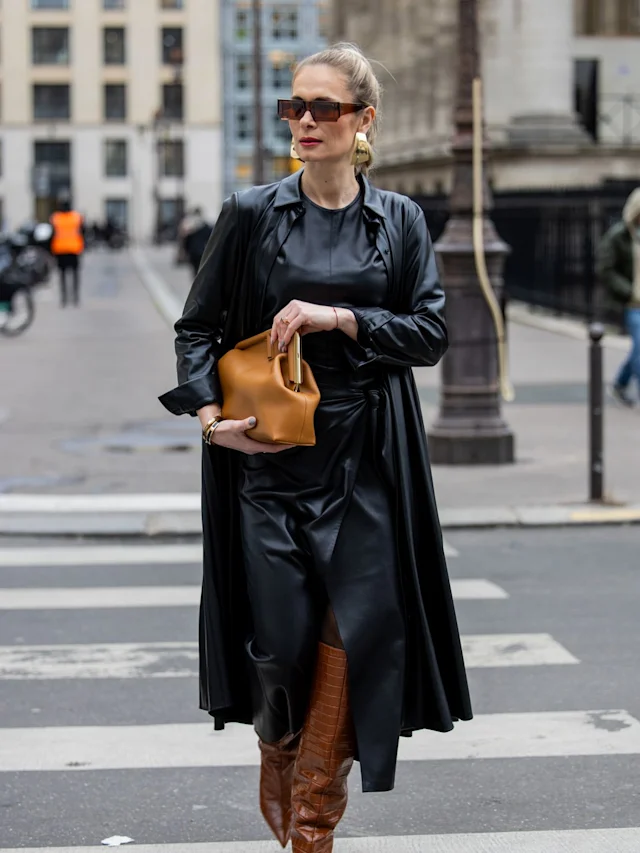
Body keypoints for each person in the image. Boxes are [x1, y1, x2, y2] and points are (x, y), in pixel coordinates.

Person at [159, 43, 472, 852]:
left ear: (364, 120)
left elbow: (432, 330)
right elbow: (197, 328)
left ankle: (313, 817)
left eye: (323, 108)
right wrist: (207, 419)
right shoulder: (252, 214)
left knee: (356, 628)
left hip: (366, 453)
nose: (304, 121)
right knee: (282, 638)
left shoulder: (397, 219)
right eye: (294, 107)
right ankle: (281, 756)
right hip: (268, 457)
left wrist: (340, 318)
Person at [598, 187, 640, 407]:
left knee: (637, 350)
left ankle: (619, 384)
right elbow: (605, 268)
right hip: (633, 303)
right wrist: (628, 290)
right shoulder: (619, 235)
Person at [50, 196, 84, 307]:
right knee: (74, 275)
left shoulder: (56, 218)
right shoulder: (76, 217)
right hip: (74, 249)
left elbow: (51, 234)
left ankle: (64, 298)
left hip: (60, 250)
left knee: (63, 275)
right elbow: (82, 232)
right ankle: (75, 297)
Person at [182, 207, 213, 277]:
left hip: (193, 252)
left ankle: (196, 282)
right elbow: (210, 238)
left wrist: (186, 251)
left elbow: (186, 240)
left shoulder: (190, 226)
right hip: (202, 251)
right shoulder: (205, 225)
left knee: (195, 270)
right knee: (200, 269)